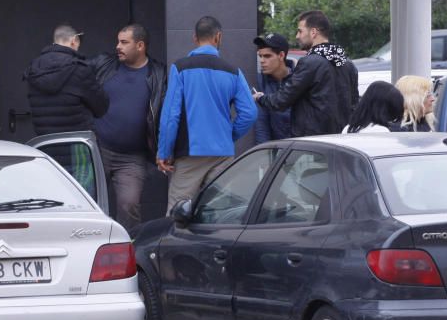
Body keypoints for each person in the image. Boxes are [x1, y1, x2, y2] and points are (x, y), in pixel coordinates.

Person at [157, 16, 257, 212]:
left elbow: (171, 116)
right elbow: (250, 113)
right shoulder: (234, 72)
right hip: (222, 154)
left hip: (190, 154)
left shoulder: (181, 68)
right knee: (218, 213)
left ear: (195, 38)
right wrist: (228, 135)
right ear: (218, 37)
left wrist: (164, 152)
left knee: (178, 212)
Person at [89, 24, 168, 233]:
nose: (118, 46)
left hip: (133, 158)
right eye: (118, 41)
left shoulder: (159, 74)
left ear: (140, 45)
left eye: (124, 42)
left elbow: (170, 113)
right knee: (88, 200)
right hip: (98, 150)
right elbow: (77, 75)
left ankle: (126, 251)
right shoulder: (105, 65)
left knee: (129, 205)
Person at [25, 24, 109, 195]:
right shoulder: (79, 69)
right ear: (74, 41)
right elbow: (101, 107)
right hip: (78, 148)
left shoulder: (35, 68)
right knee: (83, 201)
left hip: (45, 147)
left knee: (52, 200)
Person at [253, 10, 359, 136]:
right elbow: (354, 105)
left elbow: (281, 100)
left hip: (313, 143)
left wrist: (260, 98)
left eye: (300, 31)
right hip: (341, 142)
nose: (297, 36)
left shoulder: (310, 63)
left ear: (313, 32)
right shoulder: (348, 64)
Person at [252, 32, 295, 143]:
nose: (262, 60)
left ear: (281, 55)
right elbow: (261, 124)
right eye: (260, 56)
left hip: (301, 149)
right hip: (277, 151)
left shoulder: (298, 79)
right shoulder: (261, 81)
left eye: (267, 56)